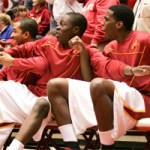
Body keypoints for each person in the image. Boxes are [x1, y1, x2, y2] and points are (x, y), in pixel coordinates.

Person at [47, 4, 150, 150]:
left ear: (119, 24)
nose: (101, 23)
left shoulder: (144, 39)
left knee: (99, 84)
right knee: (55, 85)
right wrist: (83, 52)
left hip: (143, 100)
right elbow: (94, 78)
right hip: (114, 98)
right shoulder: (109, 47)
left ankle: (106, 146)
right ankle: (71, 145)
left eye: (106, 20)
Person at [2, 12, 88, 149]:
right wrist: (6, 53)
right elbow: (23, 49)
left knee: (43, 103)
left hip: (59, 105)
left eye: (63, 25)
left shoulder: (86, 51)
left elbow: (88, 82)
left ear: (75, 30)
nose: (58, 28)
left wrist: (83, 52)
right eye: (58, 24)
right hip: (34, 96)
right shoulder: (49, 41)